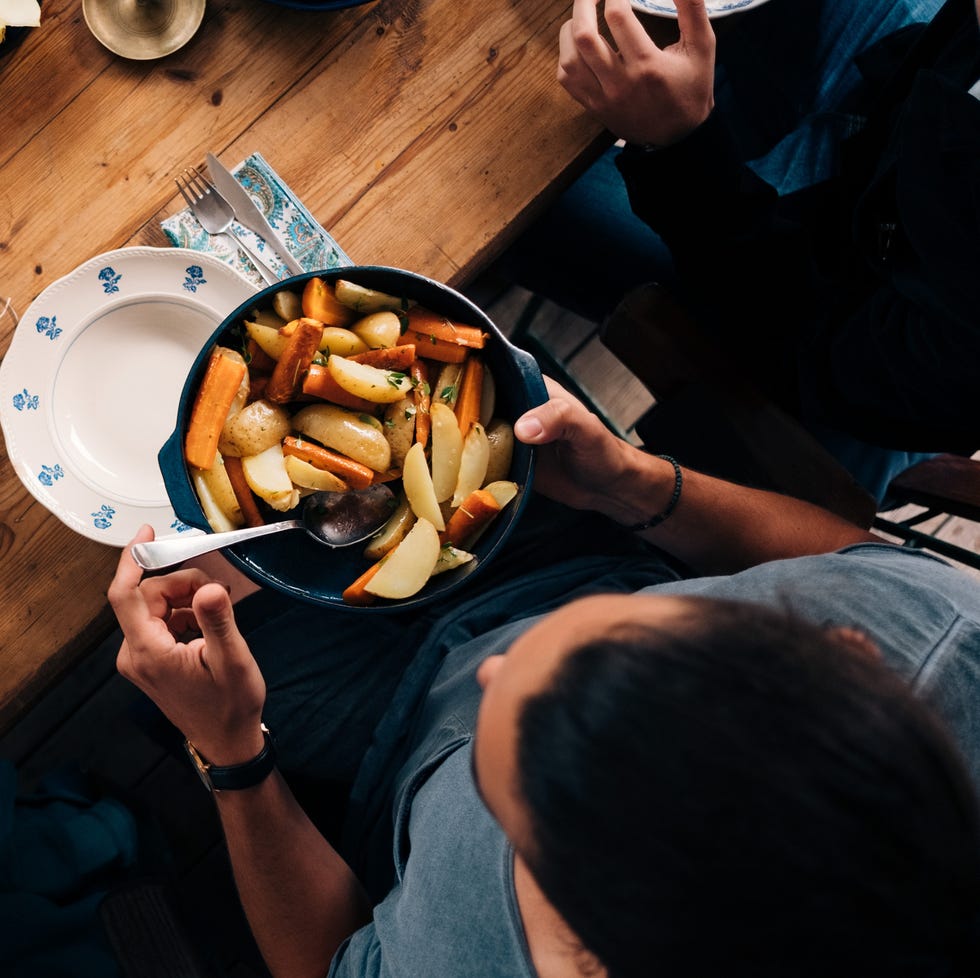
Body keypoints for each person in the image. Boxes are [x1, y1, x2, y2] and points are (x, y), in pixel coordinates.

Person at [108, 377, 980, 978]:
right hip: (597, 540)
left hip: (384, 729)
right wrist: (636, 488)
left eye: (510, 776)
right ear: (841, 646)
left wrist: (230, 751)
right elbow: (850, 557)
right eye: (625, 643)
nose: (493, 666)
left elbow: (330, 964)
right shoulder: (946, 635)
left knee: (130, 673)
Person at [506, 0, 980, 502]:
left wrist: (681, 145)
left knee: (506, 170)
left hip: (808, 303)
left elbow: (799, 339)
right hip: (901, 109)